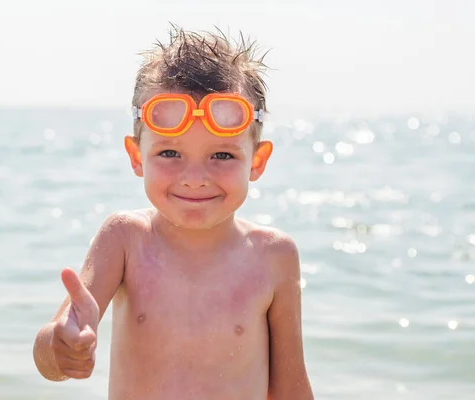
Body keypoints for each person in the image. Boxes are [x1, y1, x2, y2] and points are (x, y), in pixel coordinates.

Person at [32, 26, 314, 400]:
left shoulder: (275, 256)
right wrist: (62, 348)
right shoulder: (125, 239)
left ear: (257, 162)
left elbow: (291, 387)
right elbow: (50, 354)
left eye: (223, 155)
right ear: (136, 157)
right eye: (169, 153)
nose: (195, 179)